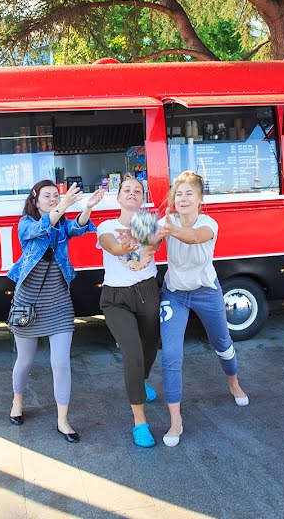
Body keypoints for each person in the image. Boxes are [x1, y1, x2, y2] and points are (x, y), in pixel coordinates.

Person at [151, 170, 248, 447]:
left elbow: (194, 237)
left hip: (207, 292)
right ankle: (175, 420)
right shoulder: (166, 221)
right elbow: (150, 245)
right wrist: (146, 239)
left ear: (199, 199)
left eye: (188, 194)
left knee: (222, 343)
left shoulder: (210, 223)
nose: (182, 198)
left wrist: (170, 230)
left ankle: (233, 383)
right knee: (170, 354)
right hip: (175, 294)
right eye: (178, 194)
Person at [7, 180, 105, 443]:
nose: (52, 199)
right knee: (25, 361)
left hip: (59, 301)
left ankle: (63, 420)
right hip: (28, 301)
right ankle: (17, 401)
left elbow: (76, 228)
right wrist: (62, 206)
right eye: (47, 196)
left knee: (60, 362)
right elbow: (41, 228)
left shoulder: (61, 223)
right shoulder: (25, 223)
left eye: (56, 195)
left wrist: (88, 208)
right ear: (35, 200)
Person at [97, 174, 161, 447]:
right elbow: (112, 246)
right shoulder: (106, 225)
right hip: (116, 298)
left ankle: (141, 381)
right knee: (132, 353)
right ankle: (140, 422)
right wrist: (128, 243)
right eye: (127, 190)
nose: (132, 193)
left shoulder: (148, 221)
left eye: (138, 190)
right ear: (118, 196)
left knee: (149, 348)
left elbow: (152, 248)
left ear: (143, 197)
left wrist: (148, 237)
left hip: (147, 290)